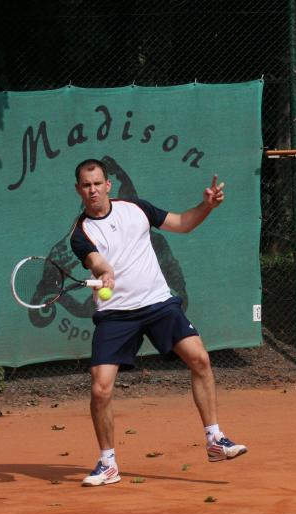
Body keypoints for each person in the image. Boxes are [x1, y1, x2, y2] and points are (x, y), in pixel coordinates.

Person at [69, 158, 247, 487]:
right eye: (86, 185)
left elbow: (182, 223)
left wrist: (207, 206)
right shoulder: (80, 234)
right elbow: (97, 261)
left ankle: (214, 439)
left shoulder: (136, 209)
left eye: (97, 183)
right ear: (78, 189)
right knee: (100, 388)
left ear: (108, 185)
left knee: (200, 359)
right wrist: (104, 271)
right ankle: (108, 464)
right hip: (116, 314)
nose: (93, 190)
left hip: (157, 303)